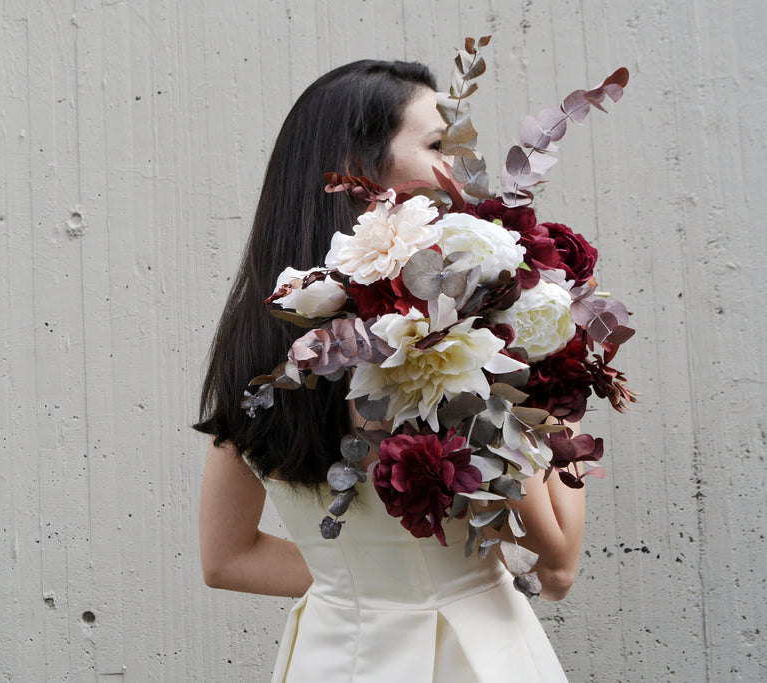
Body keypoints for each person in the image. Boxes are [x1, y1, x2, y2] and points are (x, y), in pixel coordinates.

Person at [196, 59, 585, 682]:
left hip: (329, 654)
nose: (459, 165)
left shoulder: (258, 344)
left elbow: (227, 558)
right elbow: (558, 556)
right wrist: (558, 376)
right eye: (438, 144)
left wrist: (358, 582)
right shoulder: (447, 342)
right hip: (470, 653)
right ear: (361, 171)